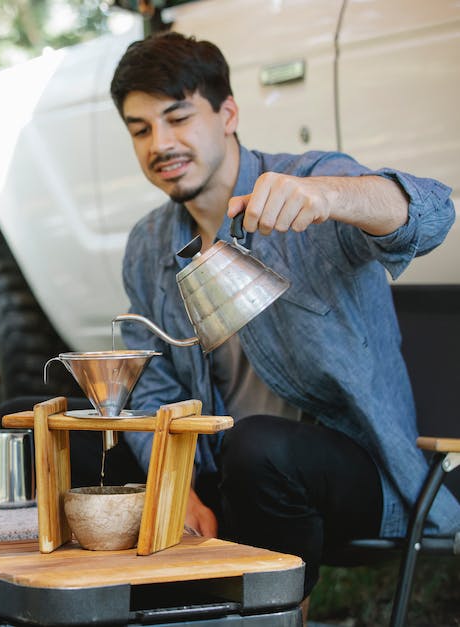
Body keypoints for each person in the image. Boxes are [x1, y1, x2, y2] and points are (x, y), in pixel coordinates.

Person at [109, 32, 460, 600]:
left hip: (354, 472)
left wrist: (331, 198)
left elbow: (435, 212)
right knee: (70, 432)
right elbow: (150, 388)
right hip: (223, 474)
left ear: (228, 113)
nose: (161, 144)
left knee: (260, 448)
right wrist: (174, 493)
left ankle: (268, 613)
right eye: (141, 129)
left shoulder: (309, 181)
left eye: (178, 118)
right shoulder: (148, 245)